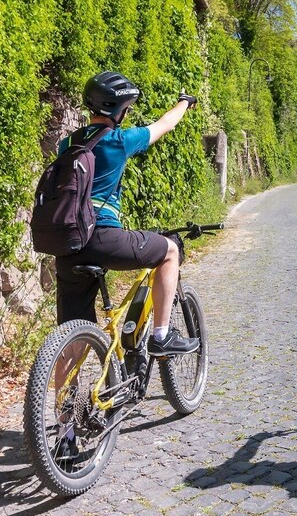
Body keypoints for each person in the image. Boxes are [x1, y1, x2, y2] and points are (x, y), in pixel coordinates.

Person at [52, 71, 197, 461]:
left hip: (67, 249)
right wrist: (185, 101)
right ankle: (162, 335)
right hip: (103, 238)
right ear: (119, 109)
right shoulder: (118, 140)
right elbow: (163, 126)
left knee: (71, 339)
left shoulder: (69, 141)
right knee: (168, 250)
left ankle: (65, 431)